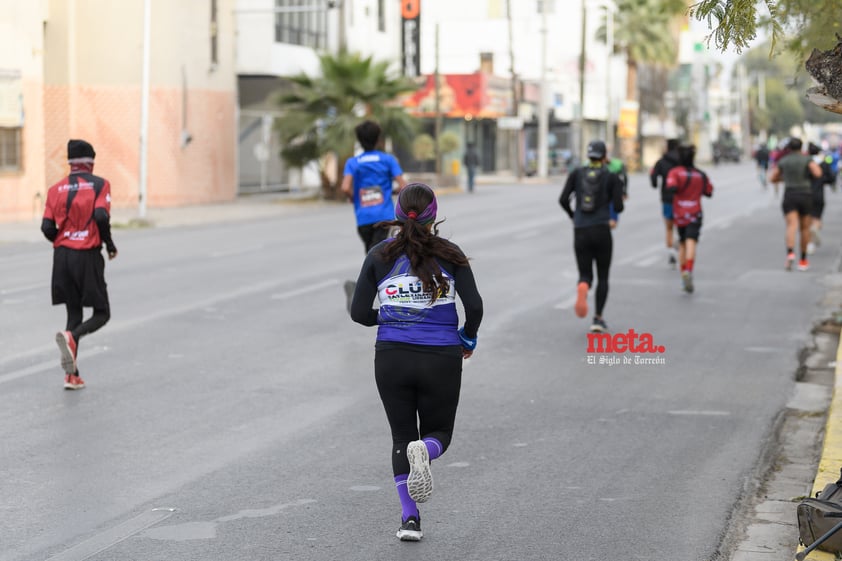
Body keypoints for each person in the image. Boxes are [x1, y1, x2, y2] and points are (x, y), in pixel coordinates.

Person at [348, 182, 483, 542]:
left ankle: (410, 519)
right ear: (433, 215)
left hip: (392, 358)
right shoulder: (451, 254)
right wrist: (467, 338)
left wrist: (392, 318)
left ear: (397, 214)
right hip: (441, 357)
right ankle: (426, 451)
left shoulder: (379, 255)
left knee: (400, 438)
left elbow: (359, 313)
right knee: (438, 434)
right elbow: (475, 306)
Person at [41, 139, 118, 390]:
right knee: (102, 313)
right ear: (90, 162)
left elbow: (46, 227)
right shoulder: (100, 185)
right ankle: (73, 337)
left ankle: (71, 376)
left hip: (62, 257)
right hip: (86, 255)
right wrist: (109, 244)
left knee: (74, 312)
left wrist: (63, 242)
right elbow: (100, 215)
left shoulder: (55, 189)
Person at [341, 120, 407, 309]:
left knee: (373, 256)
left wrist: (354, 198)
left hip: (363, 219)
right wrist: (392, 192)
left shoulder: (353, 163)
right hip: (384, 218)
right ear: (379, 139)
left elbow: (345, 187)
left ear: (360, 141)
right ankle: (361, 294)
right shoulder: (387, 160)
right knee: (379, 257)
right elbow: (403, 185)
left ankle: (368, 294)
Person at [559, 139, 624, 333]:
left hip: (581, 230)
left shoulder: (577, 173)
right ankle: (598, 318)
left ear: (588, 156)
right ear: (605, 157)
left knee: (585, 273)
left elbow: (563, 199)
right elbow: (619, 206)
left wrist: (573, 216)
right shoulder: (612, 176)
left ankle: (584, 285)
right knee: (603, 276)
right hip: (602, 229)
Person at [664, 144, 713, 294]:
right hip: (695, 213)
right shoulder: (701, 174)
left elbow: (670, 188)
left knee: (683, 243)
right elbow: (709, 192)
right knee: (692, 242)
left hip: (679, 214)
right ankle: (689, 271)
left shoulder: (675, 172)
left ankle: (683, 274)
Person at [768, 137, 823, 271]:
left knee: (791, 225)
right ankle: (803, 260)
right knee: (804, 228)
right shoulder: (806, 159)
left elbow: (772, 178)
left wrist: (785, 178)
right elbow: (818, 172)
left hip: (790, 195)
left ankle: (790, 253)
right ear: (801, 147)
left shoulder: (784, 161)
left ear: (789, 148)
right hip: (805, 195)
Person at [650, 138, 681, 267]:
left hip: (667, 197)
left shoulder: (661, 162)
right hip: (681, 198)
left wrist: (655, 183)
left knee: (669, 227)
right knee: (681, 227)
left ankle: (671, 252)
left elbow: (653, 178)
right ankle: (679, 246)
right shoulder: (682, 161)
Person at [807, 142, 837, 253]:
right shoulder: (824, 163)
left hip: (806, 194)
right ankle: (815, 228)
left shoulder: (806, 163)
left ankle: (810, 244)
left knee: (808, 219)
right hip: (819, 194)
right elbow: (831, 178)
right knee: (817, 218)